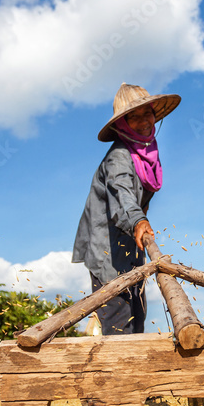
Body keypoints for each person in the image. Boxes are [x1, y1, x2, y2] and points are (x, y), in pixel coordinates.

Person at [72, 83, 181, 335]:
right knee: (118, 326)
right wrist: (139, 222)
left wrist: (138, 225)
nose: (143, 121)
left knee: (137, 318)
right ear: (122, 124)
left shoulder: (144, 154)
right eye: (133, 116)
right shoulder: (119, 157)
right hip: (107, 252)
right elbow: (122, 197)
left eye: (147, 113)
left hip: (130, 250)